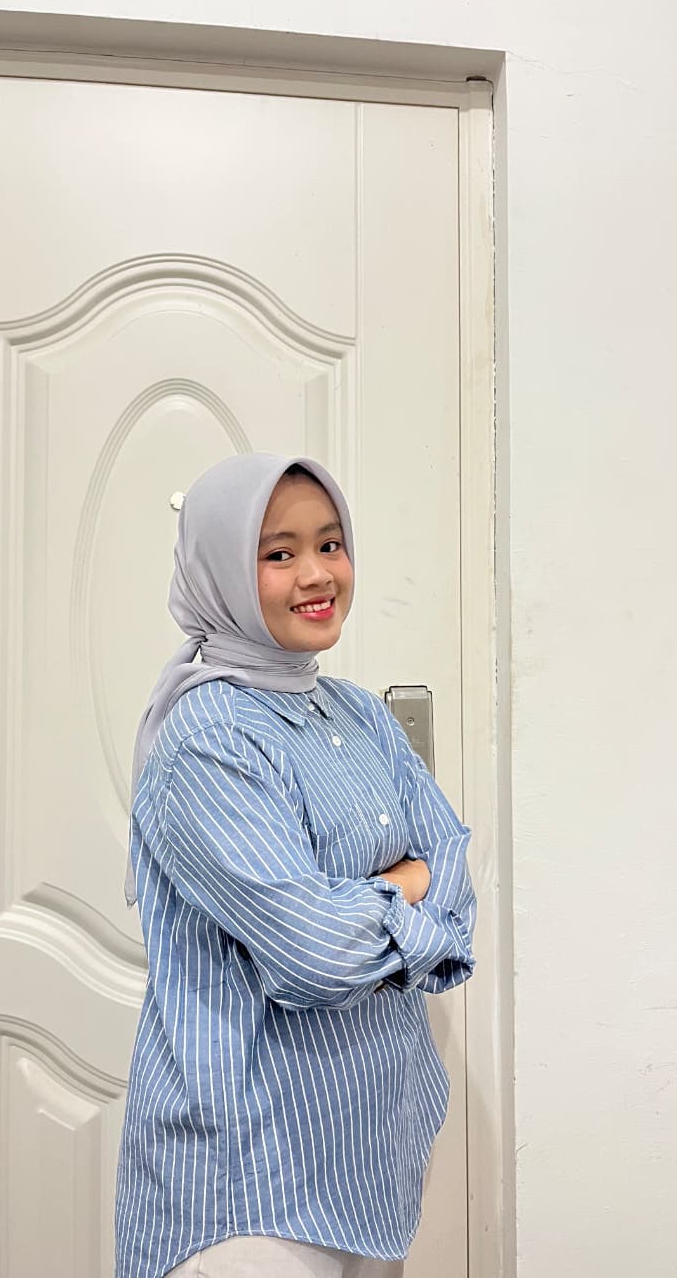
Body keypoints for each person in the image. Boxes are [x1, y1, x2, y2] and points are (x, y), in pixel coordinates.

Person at [115, 453, 476, 1278]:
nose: (316, 574)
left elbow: (455, 862)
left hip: (372, 1160)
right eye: (278, 553)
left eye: (329, 543)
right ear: (219, 572)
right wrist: (405, 886)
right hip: (252, 1184)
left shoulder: (354, 711)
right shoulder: (209, 738)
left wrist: (362, 900)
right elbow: (315, 954)